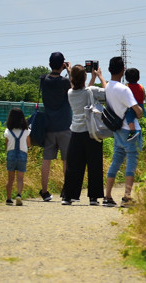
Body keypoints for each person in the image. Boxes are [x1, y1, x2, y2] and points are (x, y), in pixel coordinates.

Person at [62, 63, 108, 206]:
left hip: (75, 131)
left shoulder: (70, 93)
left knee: (74, 166)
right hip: (91, 132)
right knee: (94, 164)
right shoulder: (92, 90)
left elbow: (81, 89)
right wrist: (100, 76)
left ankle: (68, 196)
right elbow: (108, 93)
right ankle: (93, 197)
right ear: (85, 76)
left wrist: (71, 72)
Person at [103, 56, 144, 206]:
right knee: (131, 162)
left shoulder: (108, 87)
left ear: (109, 69)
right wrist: (140, 112)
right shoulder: (124, 89)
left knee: (116, 161)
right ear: (123, 70)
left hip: (117, 130)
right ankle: (127, 197)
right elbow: (137, 110)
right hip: (130, 131)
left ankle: (107, 196)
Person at [39, 51, 72, 202]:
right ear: (63, 65)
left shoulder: (43, 80)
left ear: (50, 64)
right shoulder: (65, 82)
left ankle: (44, 191)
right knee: (66, 160)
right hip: (65, 125)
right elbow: (74, 88)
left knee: (47, 159)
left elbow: (48, 75)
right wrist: (69, 71)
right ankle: (66, 191)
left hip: (48, 125)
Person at [4, 107, 31, 206]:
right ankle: (19, 195)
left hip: (11, 154)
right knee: (20, 178)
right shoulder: (26, 130)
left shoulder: (7, 131)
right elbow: (28, 144)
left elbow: (6, 143)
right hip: (22, 154)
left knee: (10, 178)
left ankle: (8, 198)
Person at [123, 67, 146, 142]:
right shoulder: (141, 87)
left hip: (132, 106)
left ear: (126, 78)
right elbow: (144, 96)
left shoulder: (127, 87)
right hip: (140, 105)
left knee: (129, 119)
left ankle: (133, 132)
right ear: (138, 78)